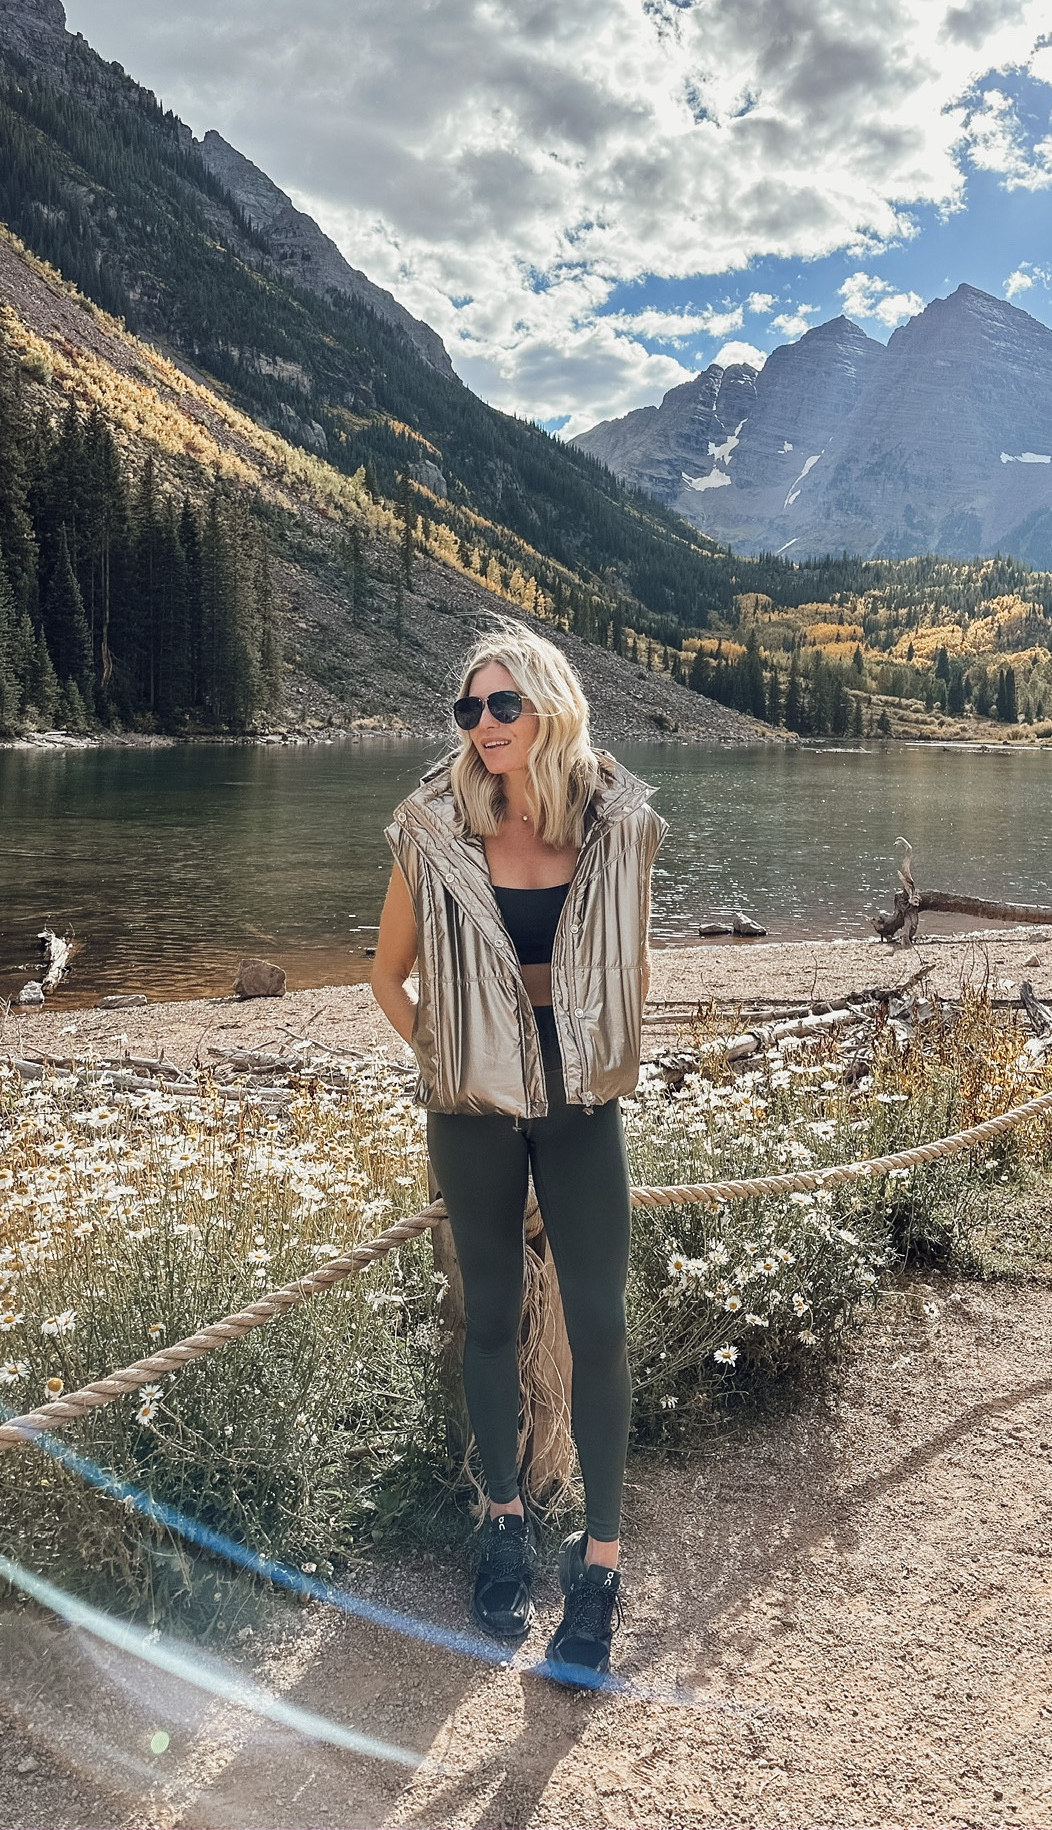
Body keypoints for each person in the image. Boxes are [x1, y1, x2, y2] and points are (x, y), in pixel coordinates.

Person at [371, 619, 666, 1680]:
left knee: (601, 1324)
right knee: (488, 1316)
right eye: (469, 708)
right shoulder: (437, 831)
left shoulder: (613, 825)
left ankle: (601, 1563)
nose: (484, 724)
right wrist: (455, 1063)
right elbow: (386, 978)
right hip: (472, 1107)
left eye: (503, 704)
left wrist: (581, 1047)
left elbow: (626, 969)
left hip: (584, 1101)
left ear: (548, 705)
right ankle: (504, 1522)